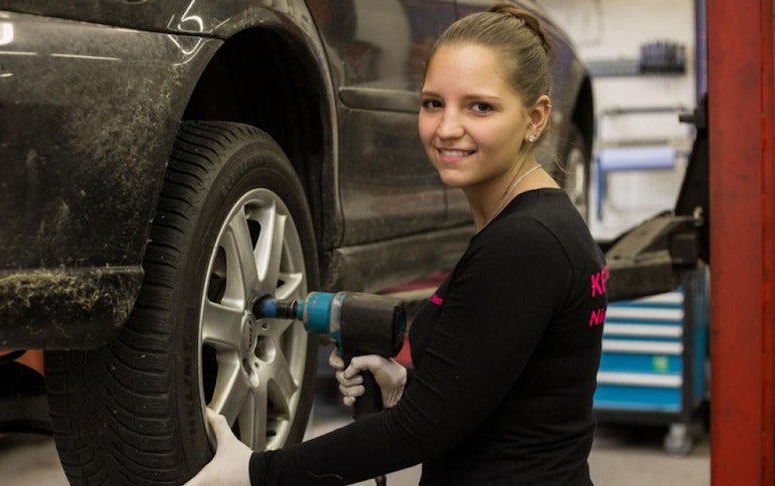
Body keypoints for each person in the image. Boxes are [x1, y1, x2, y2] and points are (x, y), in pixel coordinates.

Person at [185, 3, 608, 485]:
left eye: (480, 107)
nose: (447, 127)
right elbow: (519, 388)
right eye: (433, 103)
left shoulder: (524, 244)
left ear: (535, 117)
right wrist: (410, 385)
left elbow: (418, 432)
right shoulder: (545, 223)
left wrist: (256, 473)